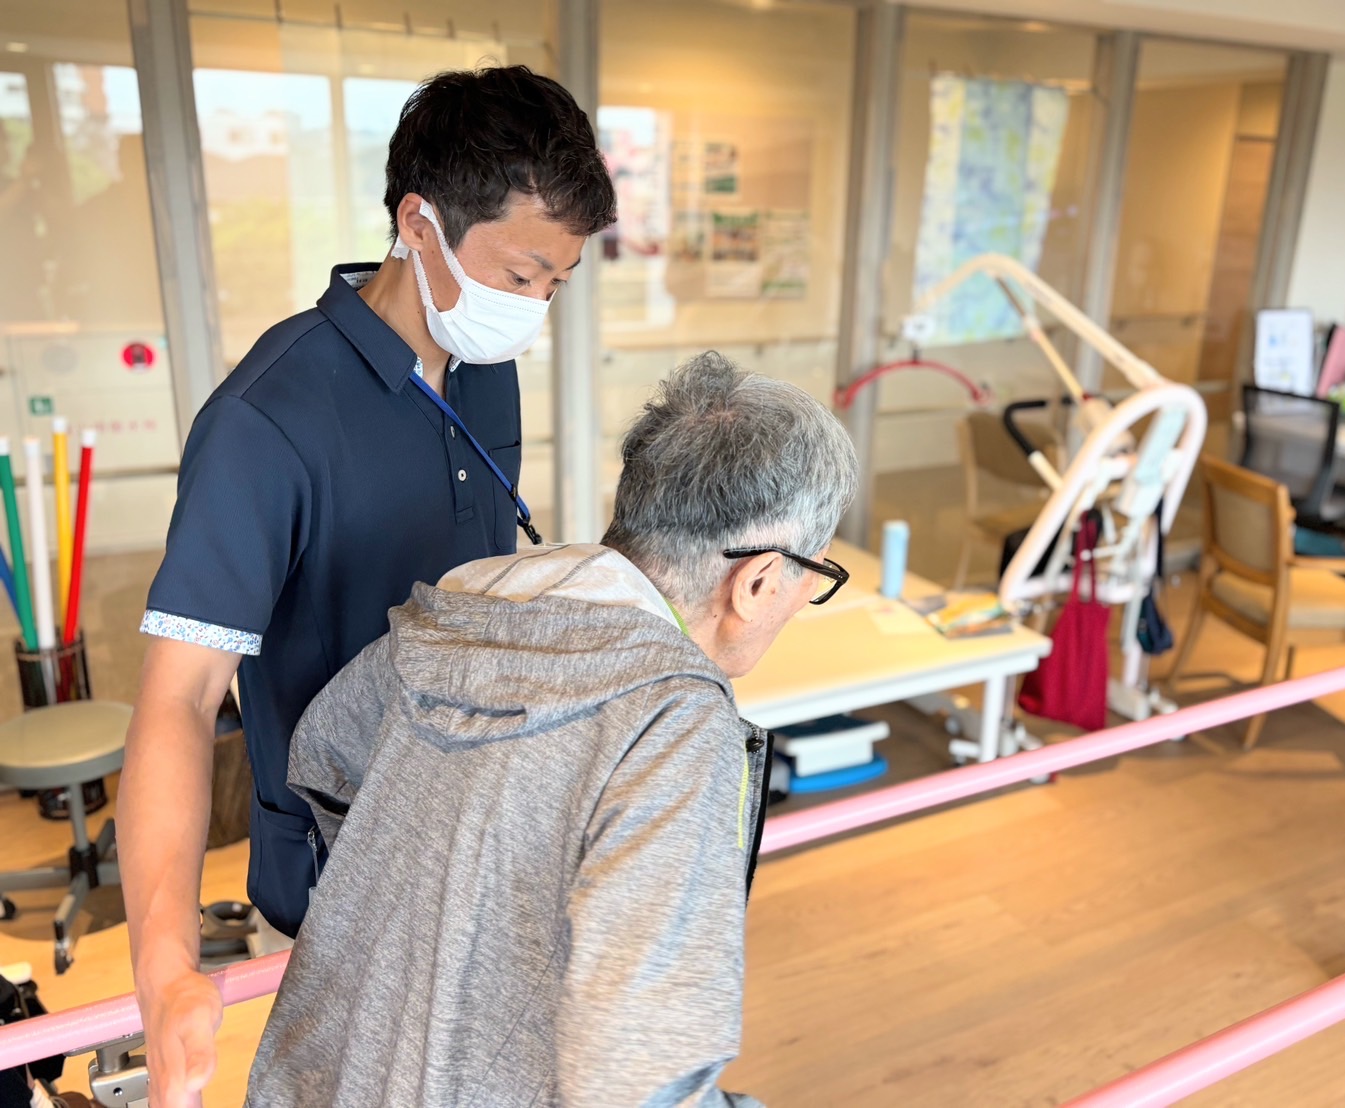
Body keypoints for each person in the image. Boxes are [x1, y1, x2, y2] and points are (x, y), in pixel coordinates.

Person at [116, 66, 615, 1108]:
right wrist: (165, 971)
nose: (533, 308)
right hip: (341, 889)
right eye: (521, 274)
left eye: (557, 284)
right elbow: (178, 700)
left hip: (481, 858)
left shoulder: (483, 371)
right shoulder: (267, 420)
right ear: (418, 225)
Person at [244, 353, 858, 1106]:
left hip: (315, 1078)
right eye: (813, 579)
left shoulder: (453, 617)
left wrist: (438, 909)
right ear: (758, 580)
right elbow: (636, 1073)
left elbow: (321, 754)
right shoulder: (673, 721)